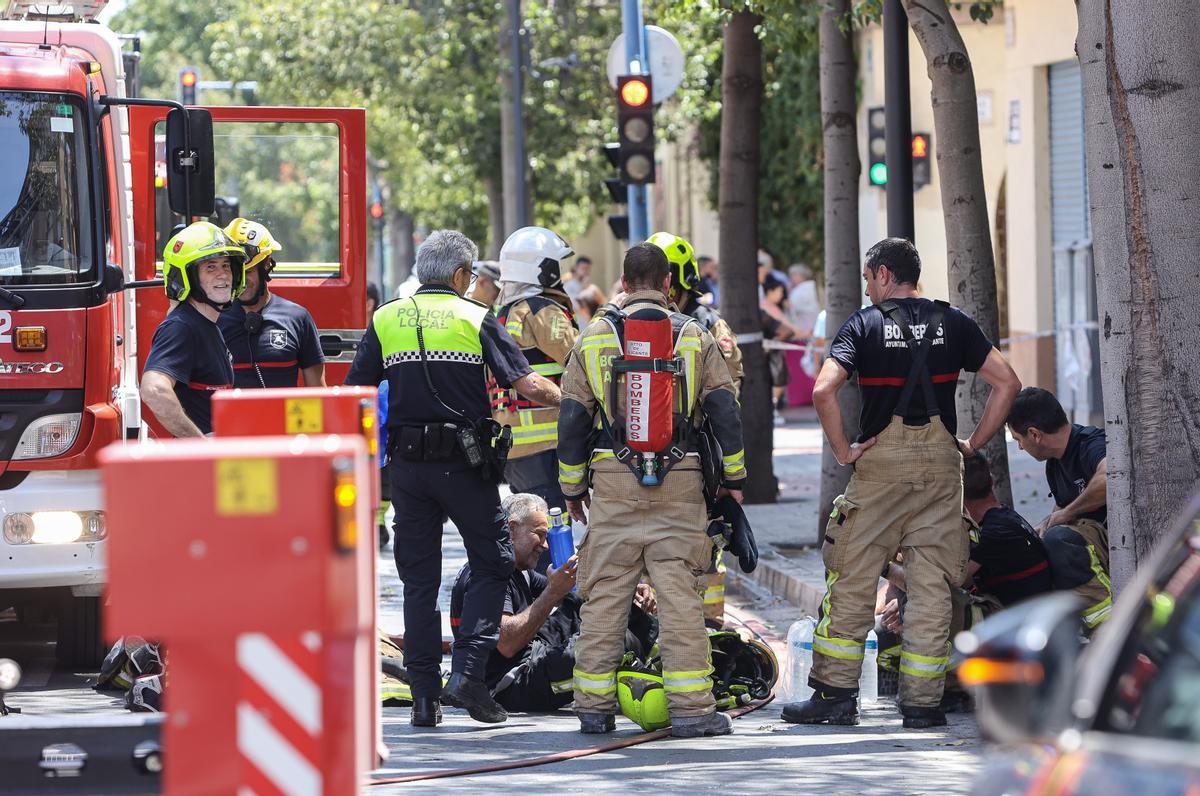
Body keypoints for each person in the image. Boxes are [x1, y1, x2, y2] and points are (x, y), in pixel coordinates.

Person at [783, 237, 1021, 730]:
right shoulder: (954, 322)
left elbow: (824, 390)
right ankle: (922, 703)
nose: (867, 288)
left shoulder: (863, 325)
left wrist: (844, 451)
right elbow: (1008, 383)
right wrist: (972, 443)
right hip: (941, 468)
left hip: (881, 468)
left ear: (885, 274)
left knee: (852, 575)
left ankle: (834, 696)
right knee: (933, 584)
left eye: (869, 278)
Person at [344, 229, 562, 728]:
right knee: (494, 561)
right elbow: (526, 383)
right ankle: (467, 675)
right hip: (465, 465)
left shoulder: (385, 318)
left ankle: (424, 697)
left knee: (419, 581)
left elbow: (356, 392)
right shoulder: (475, 316)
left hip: (408, 470)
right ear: (462, 275)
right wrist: (576, 400)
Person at [557, 242, 748, 739]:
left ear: (624, 283)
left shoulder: (594, 337)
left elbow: (572, 419)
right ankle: (692, 711)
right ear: (667, 284)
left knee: (605, 595)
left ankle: (593, 708)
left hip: (613, 482)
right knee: (680, 596)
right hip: (681, 480)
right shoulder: (694, 336)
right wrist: (733, 480)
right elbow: (725, 412)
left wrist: (572, 486)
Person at [448, 493, 658, 712]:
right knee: (610, 640)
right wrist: (552, 591)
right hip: (511, 683)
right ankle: (642, 673)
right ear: (511, 529)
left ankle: (660, 661)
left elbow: (573, 593)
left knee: (612, 607)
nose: (546, 545)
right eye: (539, 535)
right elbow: (507, 644)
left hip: (532, 652)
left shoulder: (518, 570)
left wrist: (626, 590)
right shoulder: (487, 576)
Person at [647, 231, 743, 626]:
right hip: (645, 456)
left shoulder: (708, 326)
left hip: (697, 456)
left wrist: (727, 471)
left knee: (702, 546)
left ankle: (708, 631)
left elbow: (728, 397)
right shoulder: (636, 322)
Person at [489, 227, 579, 530]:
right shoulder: (542, 311)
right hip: (546, 445)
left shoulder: (502, 314)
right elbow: (579, 359)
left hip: (513, 447)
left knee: (528, 530)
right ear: (543, 268)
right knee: (553, 529)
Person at [1007, 387, 1112, 630]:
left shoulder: (1090, 444)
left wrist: (1067, 513)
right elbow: (1061, 511)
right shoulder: (1054, 465)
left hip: (1110, 541)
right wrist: (1043, 527)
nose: (1020, 448)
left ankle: (1108, 626)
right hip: (1087, 541)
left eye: (1018, 439)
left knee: (1058, 540)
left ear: (1034, 434)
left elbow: (1109, 478)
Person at [140, 221, 248, 437]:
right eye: (211, 267)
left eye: (226, 265)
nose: (223, 274)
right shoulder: (181, 327)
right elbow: (154, 390)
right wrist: (201, 446)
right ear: (187, 277)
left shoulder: (207, 326)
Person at [218, 218, 325, 389]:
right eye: (235, 272)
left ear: (267, 264)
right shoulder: (213, 319)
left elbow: (317, 391)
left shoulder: (298, 318)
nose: (241, 281)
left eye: (248, 271)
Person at [786, 264, 821, 339]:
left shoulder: (803, 290)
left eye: (793, 274)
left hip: (806, 327)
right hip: (808, 325)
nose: (791, 277)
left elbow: (792, 306)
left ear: (800, 275)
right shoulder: (806, 287)